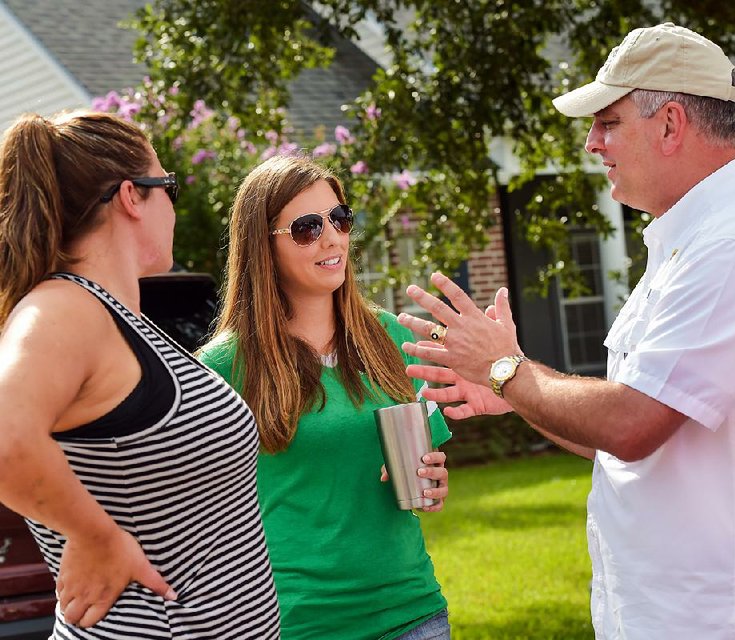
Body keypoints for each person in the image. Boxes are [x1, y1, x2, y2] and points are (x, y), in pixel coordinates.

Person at [396, 22, 735, 639]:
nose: (591, 143)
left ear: (669, 124)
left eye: (608, 122)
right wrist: (511, 390)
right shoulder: (690, 244)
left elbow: (632, 425)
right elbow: (619, 438)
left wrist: (507, 370)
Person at [0, 111, 280, 638]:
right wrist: (96, 537)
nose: (173, 205)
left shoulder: (110, 315)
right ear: (132, 196)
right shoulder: (65, 308)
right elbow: (4, 436)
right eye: (167, 187)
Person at [197, 154, 452, 640]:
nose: (332, 237)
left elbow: (425, 461)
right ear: (262, 246)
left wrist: (433, 478)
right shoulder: (222, 367)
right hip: (296, 623)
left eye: (339, 219)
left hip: (412, 612)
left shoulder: (389, 336)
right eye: (307, 227)